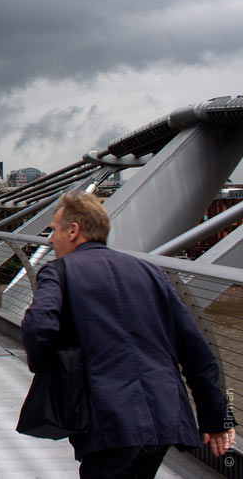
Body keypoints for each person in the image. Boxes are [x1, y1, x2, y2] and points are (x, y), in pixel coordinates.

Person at [22, 192, 235, 478]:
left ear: (73, 231)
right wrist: (217, 418)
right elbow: (196, 351)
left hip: (110, 418)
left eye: (54, 230)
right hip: (165, 415)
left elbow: (38, 328)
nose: (49, 239)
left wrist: (53, 369)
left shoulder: (58, 272)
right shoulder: (152, 272)